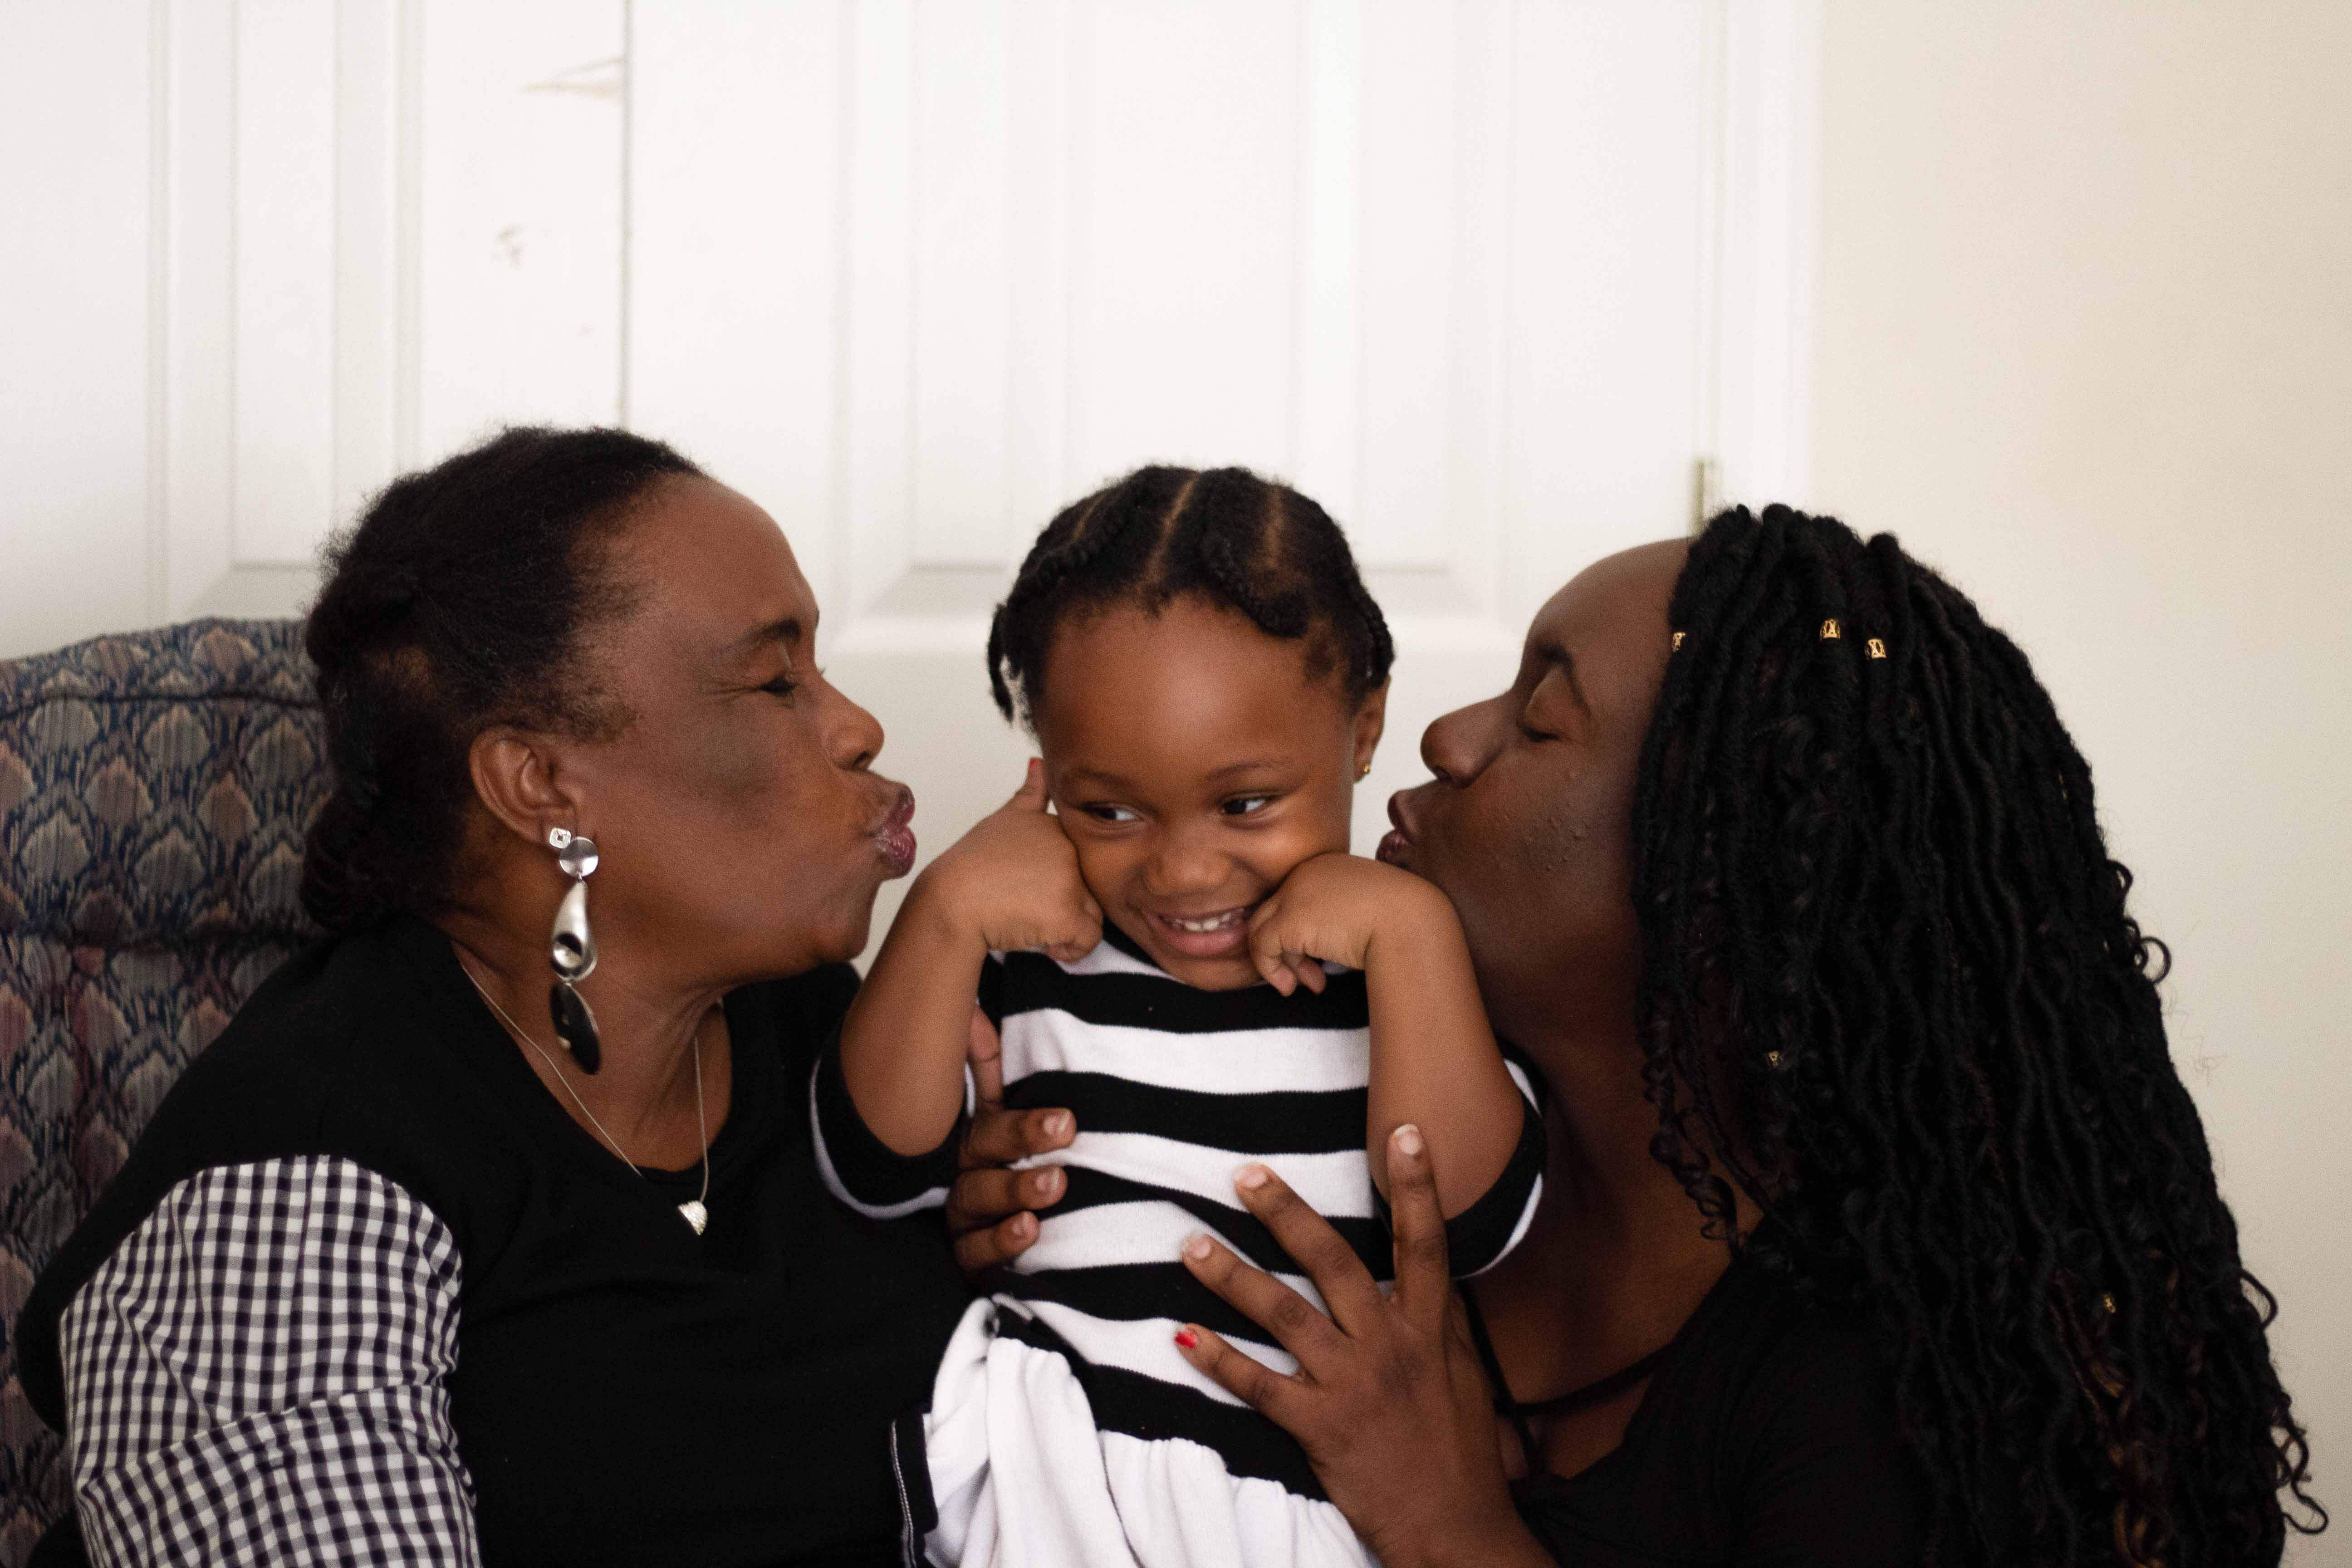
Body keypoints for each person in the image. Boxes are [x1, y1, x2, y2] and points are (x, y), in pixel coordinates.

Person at [966, 506, 2327, 1566]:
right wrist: (1025, 1188)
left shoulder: (1873, 1388)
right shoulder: (1393, 1145)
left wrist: (1451, 1529)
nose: (1443, 736)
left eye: (1539, 716)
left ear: (1711, 871)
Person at [15, 427, 973, 1566]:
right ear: (542, 784)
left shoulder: (827, 1030)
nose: (858, 727)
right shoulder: (310, 1174)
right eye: (775, 680)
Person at [812, 466, 1547, 1567]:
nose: (1184, 870)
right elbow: (873, 1166)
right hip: (1043, 1499)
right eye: (1108, 810)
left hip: (1299, 1520)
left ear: (1363, 729)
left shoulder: (1402, 982)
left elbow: (1477, 1222)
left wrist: (1415, 940)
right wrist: (947, 910)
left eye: (1246, 803)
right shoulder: (1036, 965)